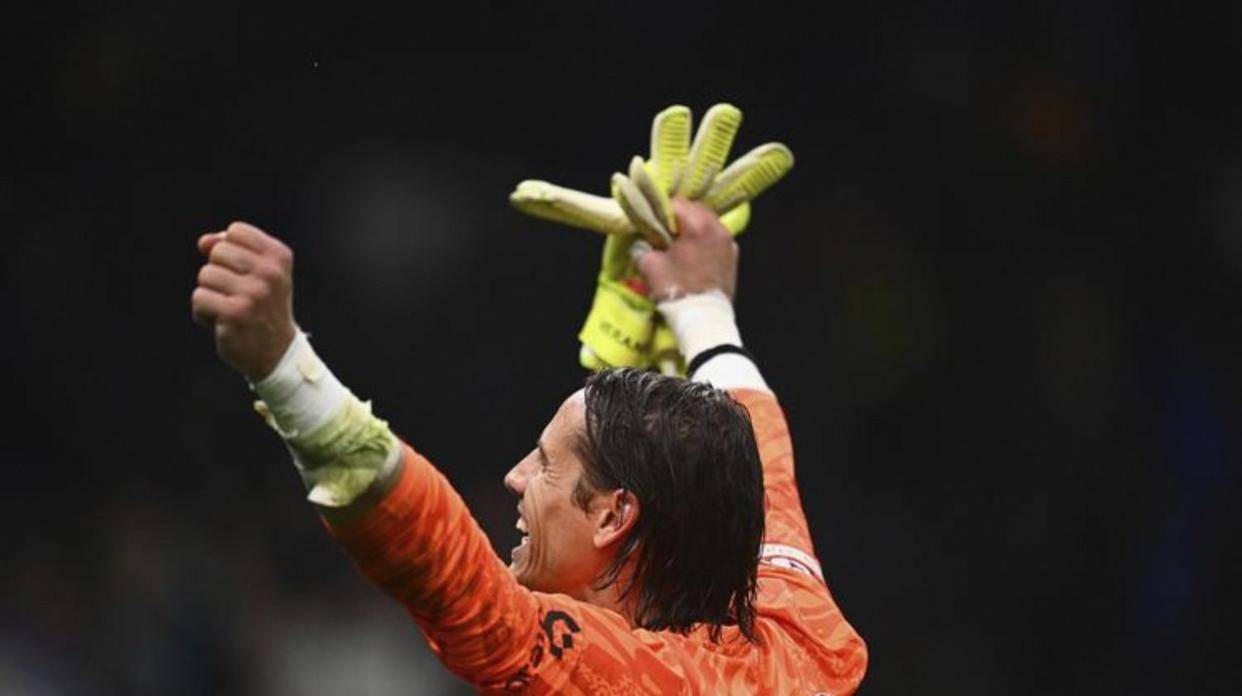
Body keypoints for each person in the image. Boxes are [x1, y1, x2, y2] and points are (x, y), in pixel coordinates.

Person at [191, 199, 867, 693]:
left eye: (545, 463)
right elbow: (765, 459)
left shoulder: (638, 682)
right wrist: (698, 301)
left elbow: (452, 576)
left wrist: (284, 368)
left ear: (614, 514)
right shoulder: (798, 633)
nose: (515, 477)